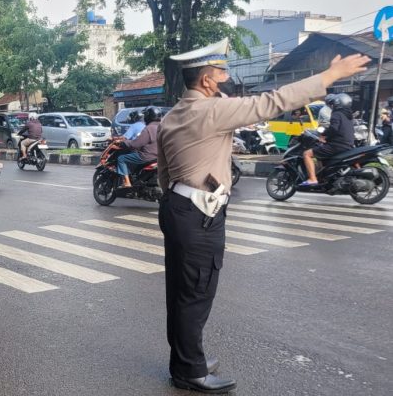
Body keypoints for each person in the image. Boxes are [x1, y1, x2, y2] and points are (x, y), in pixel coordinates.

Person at [156, 37, 370, 394]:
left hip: (178, 207)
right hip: (198, 213)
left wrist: (177, 203)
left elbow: (164, 172)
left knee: (181, 291)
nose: (226, 77)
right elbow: (273, 101)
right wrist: (329, 76)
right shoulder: (211, 111)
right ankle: (188, 370)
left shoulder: (175, 113)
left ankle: (185, 359)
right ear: (207, 80)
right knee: (196, 292)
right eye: (221, 71)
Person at [302, 93, 355, 185]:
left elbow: (334, 128)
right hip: (348, 144)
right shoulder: (348, 115)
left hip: (337, 145)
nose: (332, 105)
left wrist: (324, 135)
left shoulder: (336, 114)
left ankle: (313, 179)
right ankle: (324, 177)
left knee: (307, 154)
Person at [114, 106, 159, 188]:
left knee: (121, 158)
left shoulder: (148, 129)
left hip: (146, 156)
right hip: (159, 157)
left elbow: (136, 144)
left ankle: (127, 182)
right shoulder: (162, 128)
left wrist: (125, 143)